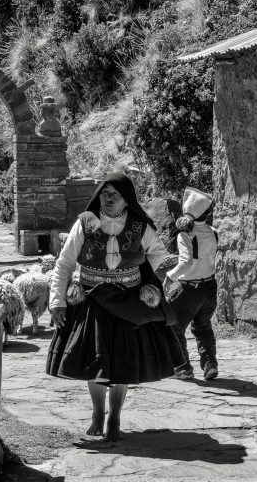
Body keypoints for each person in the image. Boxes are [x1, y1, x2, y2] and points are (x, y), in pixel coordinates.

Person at [47, 173, 187, 442]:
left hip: (129, 303)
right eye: (104, 193)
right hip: (91, 301)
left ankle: (115, 417)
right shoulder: (85, 224)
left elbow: (160, 259)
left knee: (122, 364)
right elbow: (64, 264)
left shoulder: (140, 226)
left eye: (115, 195)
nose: (108, 199)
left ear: (127, 200)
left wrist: (174, 276)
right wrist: (57, 300)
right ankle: (98, 412)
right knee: (94, 362)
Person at [163, 187, 219, 381]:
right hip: (210, 288)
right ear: (207, 214)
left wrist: (170, 276)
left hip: (189, 289)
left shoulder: (185, 235)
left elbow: (185, 262)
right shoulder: (213, 232)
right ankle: (210, 364)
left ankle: (183, 367)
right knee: (203, 326)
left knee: (173, 326)